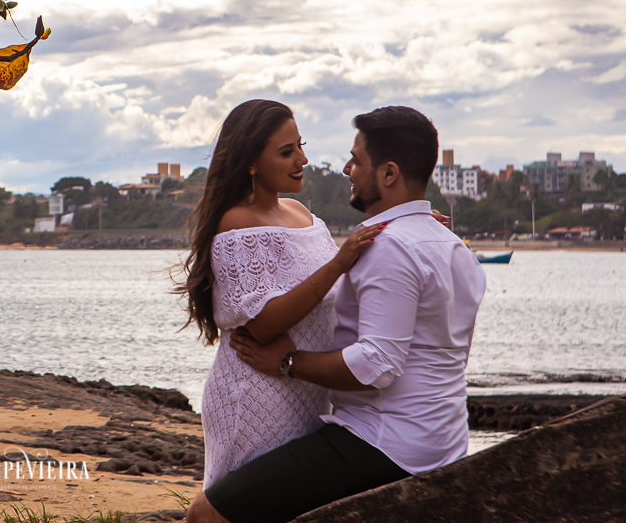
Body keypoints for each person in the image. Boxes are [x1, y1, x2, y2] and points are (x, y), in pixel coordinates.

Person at [187, 106, 487, 523]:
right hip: (439, 437)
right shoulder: (451, 246)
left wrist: (289, 362)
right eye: (288, 151)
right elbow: (325, 282)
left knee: (208, 515)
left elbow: (377, 362)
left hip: (381, 438)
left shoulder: (392, 246)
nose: (344, 168)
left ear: (388, 174)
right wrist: (413, 224)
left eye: (356, 161)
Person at [175, 99, 386, 488]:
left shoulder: (300, 213)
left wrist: (409, 225)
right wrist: (339, 262)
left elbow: (341, 277)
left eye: (300, 146)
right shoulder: (237, 222)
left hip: (303, 388)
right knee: (242, 509)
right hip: (257, 392)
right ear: (251, 162)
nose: (301, 159)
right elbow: (264, 322)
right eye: (286, 152)